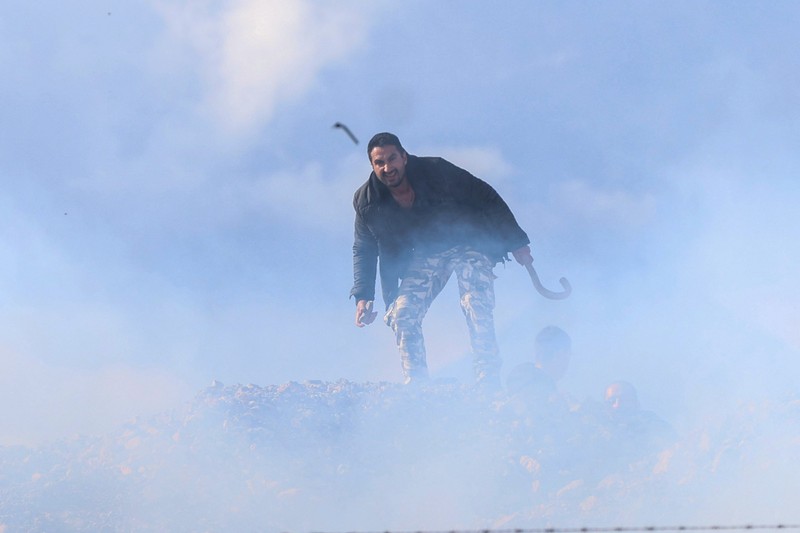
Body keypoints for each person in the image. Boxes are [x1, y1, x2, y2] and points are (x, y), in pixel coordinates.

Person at [350, 132, 533, 388]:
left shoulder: (436, 170)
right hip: (426, 255)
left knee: (475, 301)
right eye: (379, 163)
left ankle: (487, 380)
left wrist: (516, 241)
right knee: (402, 315)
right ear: (372, 166)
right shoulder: (367, 201)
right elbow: (365, 247)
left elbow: (484, 193)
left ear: (404, 157)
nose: (387, 167)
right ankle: (418, 386)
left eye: (392, 159)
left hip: (468, 243)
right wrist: (363, 295)